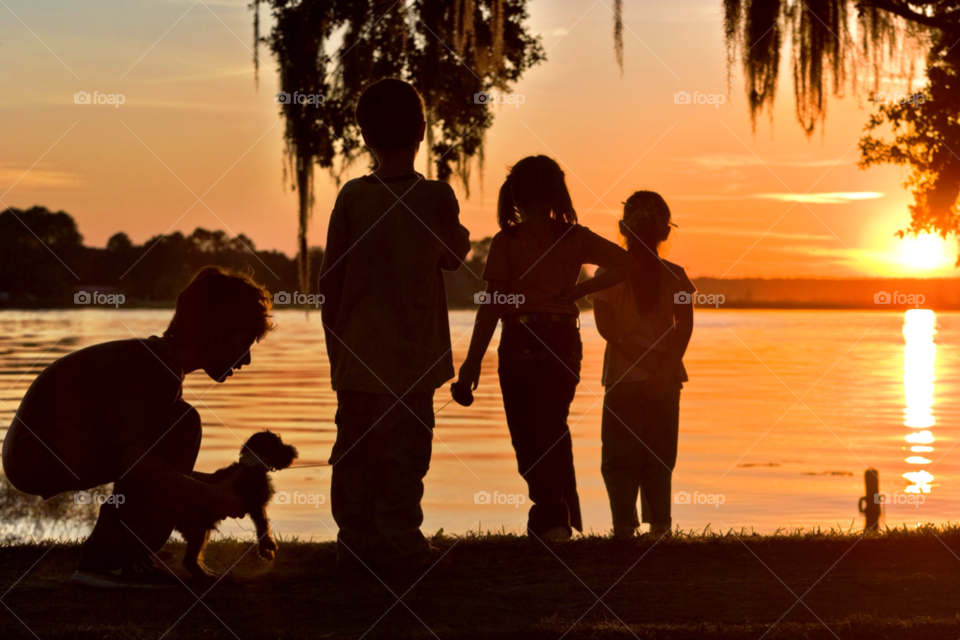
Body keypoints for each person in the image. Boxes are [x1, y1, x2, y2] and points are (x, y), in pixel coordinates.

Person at [2, 266, 273, 587]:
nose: (246, 361)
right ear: (216, 335)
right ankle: (111, 561)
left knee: (180, 423)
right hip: (36, 457)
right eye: (244, 344)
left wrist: (214, 485)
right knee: (184, 424)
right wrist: (212, 497)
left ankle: (128, 550)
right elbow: (138, 464)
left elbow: (136, 461)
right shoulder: (156, 368)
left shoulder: (158, 360)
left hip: (40, 452)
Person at [319, 78, 470, 573]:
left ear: (365, 137)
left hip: (357, 354)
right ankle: (399, 541)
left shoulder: (352, 198)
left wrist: (336, 350)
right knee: (403, 455)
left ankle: (355, 542)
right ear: (422, 132)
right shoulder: (436, 197)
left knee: (353, 454)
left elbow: (330, 282)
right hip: (411, 359)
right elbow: (454, 256)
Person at [455, 155, 638, 542]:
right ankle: (561, 517)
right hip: (563, 340)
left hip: (522, 338)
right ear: (556, 192)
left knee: (528, 431)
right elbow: (628, 263)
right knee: (552, 427)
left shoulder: (509, 240)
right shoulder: (574, 237)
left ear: (515, 194)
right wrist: (581, 291)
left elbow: (490, 306)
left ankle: (551, 514)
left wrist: (471, 363)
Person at [589, 191, 693, 539]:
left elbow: (607, 328)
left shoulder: (606, 274)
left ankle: (623, 528)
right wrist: (662, 369)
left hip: (622, 380)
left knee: (619, 457)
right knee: (659, 456)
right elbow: (685, 328)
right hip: (665, 381)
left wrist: (639, 360)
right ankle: (659, 526)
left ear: (623, 229)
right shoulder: (676, 275)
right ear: (665, 233)